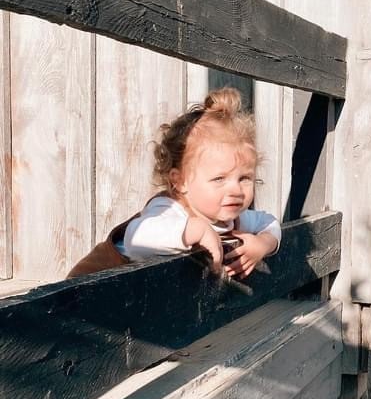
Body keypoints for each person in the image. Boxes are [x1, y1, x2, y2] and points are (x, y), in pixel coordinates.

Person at [67, 88, 281, 278]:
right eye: (219, 179)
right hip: (87, 297)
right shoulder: (169, 210)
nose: (235, 190)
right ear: (180, 182)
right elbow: (135, 237)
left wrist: (263, 244)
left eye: (244, 178)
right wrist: (194, 229)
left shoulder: (235, 216)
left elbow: (269, 222)